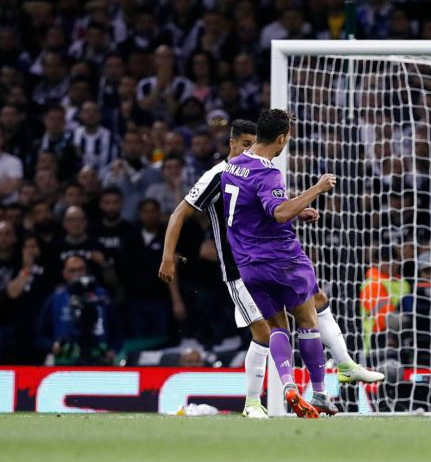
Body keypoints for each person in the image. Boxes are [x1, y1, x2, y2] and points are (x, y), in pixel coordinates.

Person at [160, 118, 382, 419]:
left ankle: (343, 366)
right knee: (267, 330)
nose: (250, 149)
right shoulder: (221, 173)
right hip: (240, 266)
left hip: (254, 260)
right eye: (245, 144)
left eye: (254, 143)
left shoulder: (237, 169)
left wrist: (297, 210)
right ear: (232, 143)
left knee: (315, 302)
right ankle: (255, 401)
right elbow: (181, 212)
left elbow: (258, 207)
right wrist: (168, 257)